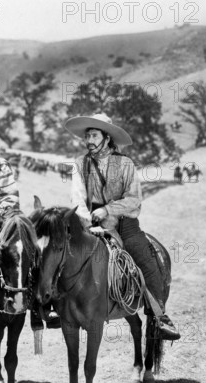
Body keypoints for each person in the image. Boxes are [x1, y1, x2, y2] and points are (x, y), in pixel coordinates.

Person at [65, 113, 180, 340]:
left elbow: (133, 199)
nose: (89, 139)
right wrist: (88, 222)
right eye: (87, 135)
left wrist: (108, 210)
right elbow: (77, 198)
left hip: (125, 223)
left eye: (94, 135)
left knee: (144, 257)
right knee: (58, 250)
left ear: (106, 138)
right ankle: (50, 307)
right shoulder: (80, 164)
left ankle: (159, 316)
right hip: (89, 223)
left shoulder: (125, 164)